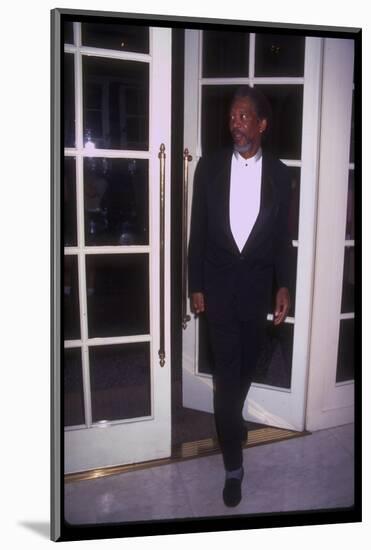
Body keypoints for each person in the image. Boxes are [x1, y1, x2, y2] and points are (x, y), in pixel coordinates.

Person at [188, 85, 292, 507]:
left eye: (245, 116)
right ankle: (234, 465)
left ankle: (232, 422)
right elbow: (197, 233)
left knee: (247, 366)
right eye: (233, 116)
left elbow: (283, 237)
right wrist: (195, 285)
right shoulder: (208, 168)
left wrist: (284, 284)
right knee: (226, 385)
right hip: (217, 291)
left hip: (256, 292)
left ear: (262, 124)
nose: (236, 122)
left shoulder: (282, 174)